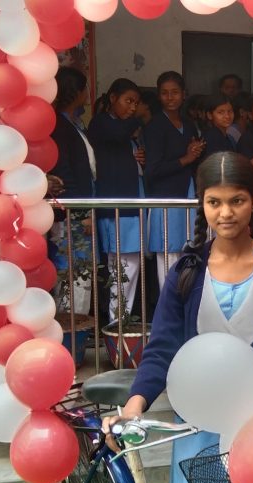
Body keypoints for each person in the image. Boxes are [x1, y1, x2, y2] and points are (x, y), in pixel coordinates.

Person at [102, 151, 253, 483]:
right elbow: (162, 347)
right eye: (214, 202)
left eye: (237, 201)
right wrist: (135, 404)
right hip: (197, 427)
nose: (225, 213)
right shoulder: (187, 271)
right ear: (202, 204)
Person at [88, 78, 147, 322]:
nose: (132, 107)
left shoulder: (124, 129)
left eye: (136, 103)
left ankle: (121, 319)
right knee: (120, 266)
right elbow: (118, 134)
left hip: (130, 204)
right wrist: (140, 118)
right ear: (112, 98)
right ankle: (117, 321)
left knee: (130, 265)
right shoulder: (102, 123)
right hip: (116, 207)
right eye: (128, 101)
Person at [144, 71, 204, 284]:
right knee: (168, 256)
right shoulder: (155, 126)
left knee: (186, 252)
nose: (170, 97)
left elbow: (192, 161)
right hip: (166, 198)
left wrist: (195, 153)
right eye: (165, 93)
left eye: (175, 92)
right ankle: (168, 302)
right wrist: (186, 159)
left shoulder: (188, 124)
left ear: (184, 94)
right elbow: (153, 170)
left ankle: (183, 301)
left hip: (186, 193)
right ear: (159, 95)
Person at [50, 66, 95, 315]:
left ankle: (77, 324)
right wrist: (81, 212)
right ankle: (71, 326)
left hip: (78, 210)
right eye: (84, 87)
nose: (87, 92)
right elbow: (64, 171)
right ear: (75, 91)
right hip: (71, 214)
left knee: (81, 271)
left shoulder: (73, 123)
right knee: (74, 272)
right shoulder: (59, 125)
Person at [199, 94, 237, 161]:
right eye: (220, 112)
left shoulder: (224, 135)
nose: (227, 116)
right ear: (210, 115)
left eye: (230, 111)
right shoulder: (212, 137)